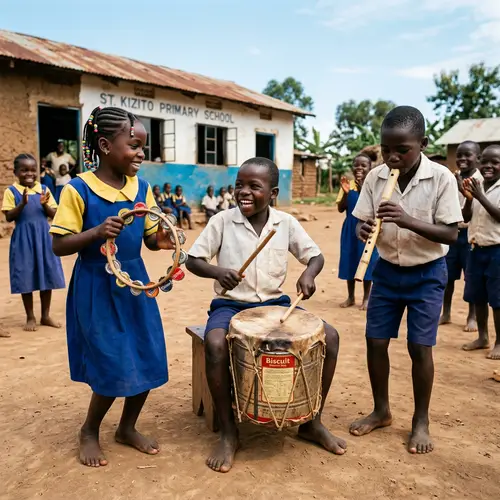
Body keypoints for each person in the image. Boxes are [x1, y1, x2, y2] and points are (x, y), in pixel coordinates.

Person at [186, 157, 346, 473]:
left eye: (253, 187)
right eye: (239, 186)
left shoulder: (285, 223)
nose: (244, 192)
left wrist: (309, 275)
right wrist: (218, 271)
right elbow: (193, 261)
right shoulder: (221, 221)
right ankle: (229, 433)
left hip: (275, 305)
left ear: (272, 193)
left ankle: (312, 422)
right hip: (231, 305)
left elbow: (315, 256)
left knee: (330, 336)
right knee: (216, 343)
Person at [50, 106, 179, 468]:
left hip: (134, 285)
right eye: (134, 145)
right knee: (110, 362)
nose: (141, 154)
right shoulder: (78, 190)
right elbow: (58, 245)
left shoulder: (142, 188)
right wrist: (94, 233)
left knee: (148, 356)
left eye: (143, 147)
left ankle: (127, 427)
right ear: (105, 145)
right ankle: (89, 430)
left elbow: (151, 238)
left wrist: (165, 240)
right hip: (96, 285)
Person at [349, 106, 463, 454]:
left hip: (427, 274)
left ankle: (421, 420)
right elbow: (360, 222)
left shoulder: (441, 177)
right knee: (375, 342)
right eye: (387, 150)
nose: (393, 157)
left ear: (423, 144)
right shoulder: (375, 177)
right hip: (386, 271)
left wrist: (406, 219)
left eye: (403, 150)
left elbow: (450, 234)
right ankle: (382, 410)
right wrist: (363, 228)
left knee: (419, 347)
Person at [2, 153, 65, 331]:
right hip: (23, 238)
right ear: (15, 172)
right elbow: (8, 217)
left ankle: (45, 315)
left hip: (44, 236)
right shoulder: (11, 192)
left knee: (46, 273)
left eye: (32, 170)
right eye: (24, 170)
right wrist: (22, 203)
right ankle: (30, 316)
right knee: (25, 275)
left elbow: (54, 215)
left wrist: (45, 204)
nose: (29, 174)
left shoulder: (44, 189)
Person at [461, 144, 500, 360]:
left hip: (497, 252)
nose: (488, 166)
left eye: (495, 162)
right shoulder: (477, 186)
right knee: (478, 296)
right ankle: (483, 337)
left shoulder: (489, 189)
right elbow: (467, 217)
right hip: (475, 249)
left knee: (497, 299)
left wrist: (479, 196)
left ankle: (499, 342)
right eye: (484, 161)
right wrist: (469, 198)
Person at [439, 141, 481, 332]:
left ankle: (471, 316)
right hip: (451, 233)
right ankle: (445, 312)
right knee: (447, 276)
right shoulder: (450, 178)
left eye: (468, 155)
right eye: (459, 155)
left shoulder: (480, 181)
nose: (462, 159)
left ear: (477, 159)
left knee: (470, 277)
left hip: (472, 234)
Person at [337, 153, 378, 310]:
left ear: (370, 168)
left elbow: (373, 207)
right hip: (349, 228)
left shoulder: (372, 185)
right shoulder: (348, 184)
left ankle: (366, 298)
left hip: (367, 227)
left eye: (363, 165)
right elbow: (341, 208)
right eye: (356, 165)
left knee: (366, 261)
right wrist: (346, 193)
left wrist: (361, 188)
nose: (359, 168)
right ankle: (350, 297)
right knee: (350, 260)